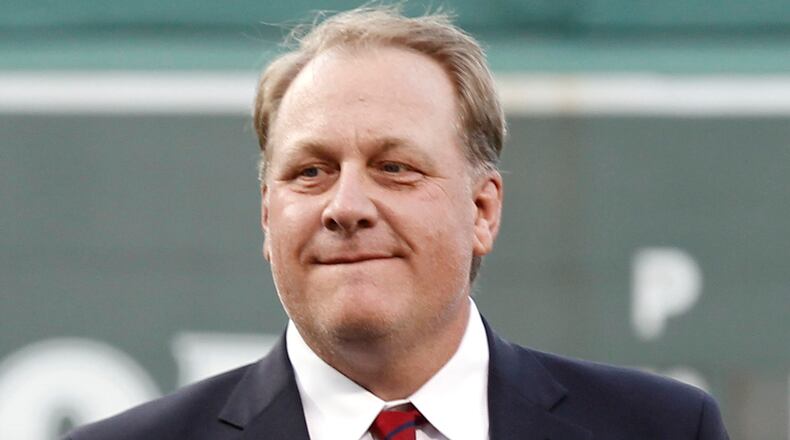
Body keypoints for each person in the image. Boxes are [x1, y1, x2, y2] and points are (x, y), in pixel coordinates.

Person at [66, 6, 729, 440]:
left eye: (395, 167)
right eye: (311, 171)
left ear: (482, 210)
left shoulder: (661, 429)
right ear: (267, 218)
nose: (346, 206)